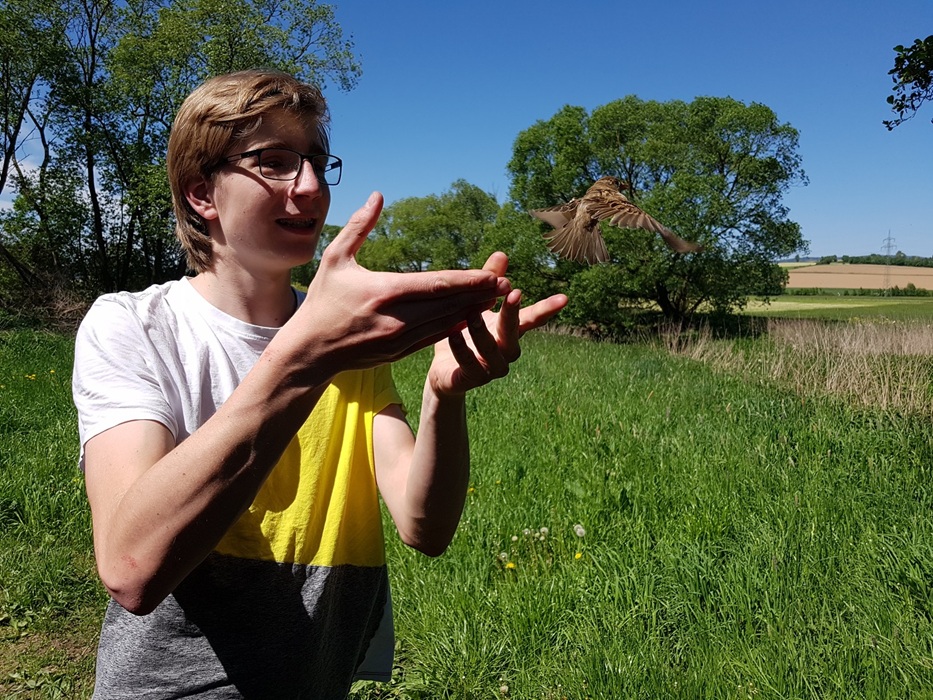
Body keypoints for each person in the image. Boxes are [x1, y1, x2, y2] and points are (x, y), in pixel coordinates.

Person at [71, 68, 567, 699]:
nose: (309, 187)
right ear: (202, 193)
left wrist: (443, 393)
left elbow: (425, 526)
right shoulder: (133, 325)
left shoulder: (343, 336)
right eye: (274, 162)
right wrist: (307, 353)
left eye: (314, 161)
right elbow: (130, 567)